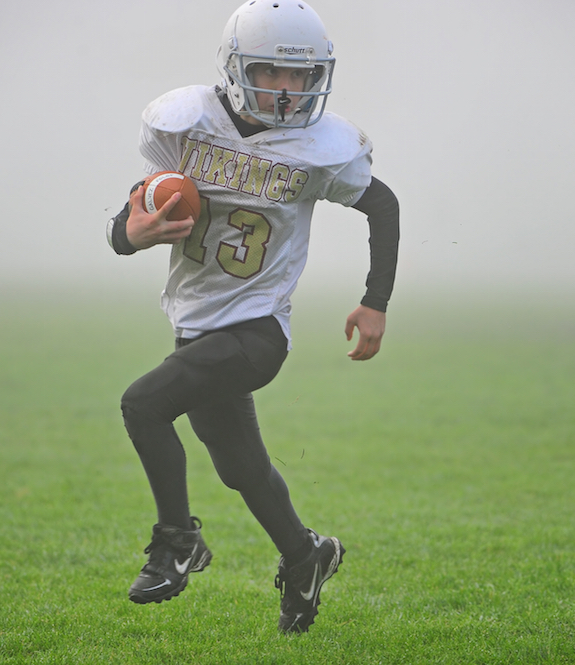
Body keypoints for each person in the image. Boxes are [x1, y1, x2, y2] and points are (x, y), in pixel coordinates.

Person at [105, 0, 399, 634]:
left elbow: (384, 206)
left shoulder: (320, 148)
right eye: (273, 72)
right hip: (197, 326)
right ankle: (306, 554)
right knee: (240, 467)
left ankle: (177, 540)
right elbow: (131, 216)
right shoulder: (188, 123)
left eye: (301, 76)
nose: (288, 90)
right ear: (239, 68)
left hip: (259, 332)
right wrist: (134, 233)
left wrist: (375, 300)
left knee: (143, 404)